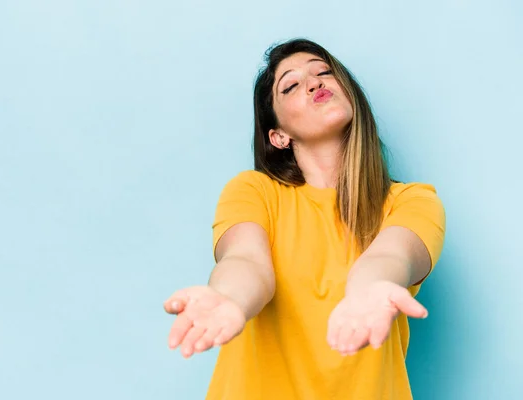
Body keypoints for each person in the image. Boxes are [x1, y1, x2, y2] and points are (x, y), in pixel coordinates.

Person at [163, 38, 446, 399]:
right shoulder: (254, 191)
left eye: (324, 72)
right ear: (279, 136)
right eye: (292, 85)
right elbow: (247, 261)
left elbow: (390, 257)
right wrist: (230, 298)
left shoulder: (413, 201)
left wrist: (371, 289)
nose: (315, 82)